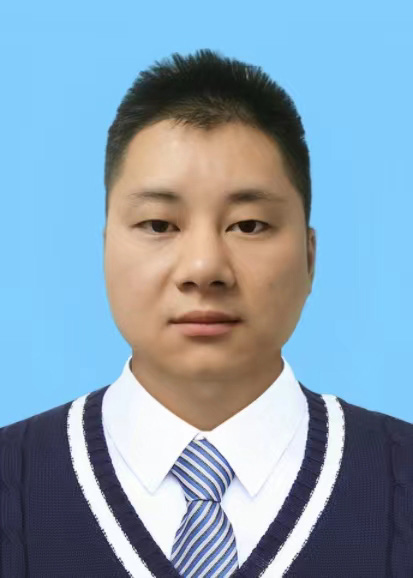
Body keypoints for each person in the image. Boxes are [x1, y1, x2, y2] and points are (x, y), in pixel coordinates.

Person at [0, 49, 412, 578]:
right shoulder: (13, 480)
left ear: (310, 257)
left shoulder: (399, 479)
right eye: (158, 225)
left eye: (248, 225)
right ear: (105, 251)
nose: (203, 268)